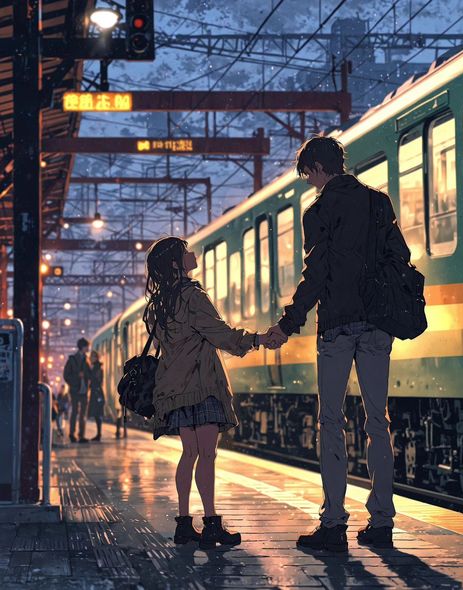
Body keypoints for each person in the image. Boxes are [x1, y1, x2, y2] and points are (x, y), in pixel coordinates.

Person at [263, 135, 411, 552]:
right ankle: (382, 523)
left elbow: (316, 275)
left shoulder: (320, 210)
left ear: (316, 169)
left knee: (332, 422)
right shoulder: (378, 202)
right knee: (377, 422)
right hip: (377, 325)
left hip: (337, 329)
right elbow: (399, 255)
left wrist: (287, 325)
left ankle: (333, 525)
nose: (310, 182)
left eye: (308, 176)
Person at [143, 236, 270, 550]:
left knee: (189, 454)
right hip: (201, 386)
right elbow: (221, 334)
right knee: (208, 455)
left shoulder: (159, 303)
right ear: (176, 263)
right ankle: (212, 523)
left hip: (174, 388)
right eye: (185, 252)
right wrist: (256, 339)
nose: (192, 254)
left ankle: (184, 523)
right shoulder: (192, 296)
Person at [63, 337, 91, 443]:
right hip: (75, 390)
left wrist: (86, 375)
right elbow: (66, 375)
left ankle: (81, 435)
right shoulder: (72, 359)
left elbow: (89, 374)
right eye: (87, 347)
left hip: (84, 390)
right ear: (82, 347)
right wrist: (76, 378)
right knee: (74, 412)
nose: (88, 348)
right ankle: (72, 434)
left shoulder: (86, 359)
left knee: (83, 414)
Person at [88, 350, 105, 442]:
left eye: (92, 357)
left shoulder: (97, 367)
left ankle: (99, 434)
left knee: (97, 414)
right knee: (97, 414)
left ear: (96, 358)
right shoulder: (97, 367)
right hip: (96, 392)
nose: (91, 358)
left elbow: (96, 379)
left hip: (96, 392)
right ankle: (98, 434)